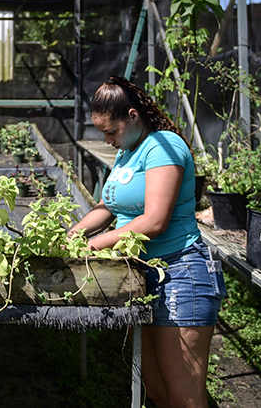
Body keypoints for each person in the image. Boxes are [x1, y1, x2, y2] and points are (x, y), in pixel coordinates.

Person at [68, 75, 225, 408]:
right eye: (102, 133)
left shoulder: (164, 145)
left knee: (184, 399)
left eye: (111, 131)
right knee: (155, 390)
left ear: (133, 116)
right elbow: (108, 206)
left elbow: (155, 220)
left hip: (180, 273)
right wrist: (74, 234)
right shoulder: (127, 151)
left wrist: (97, 244)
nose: (107, 139)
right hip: (141, 274)